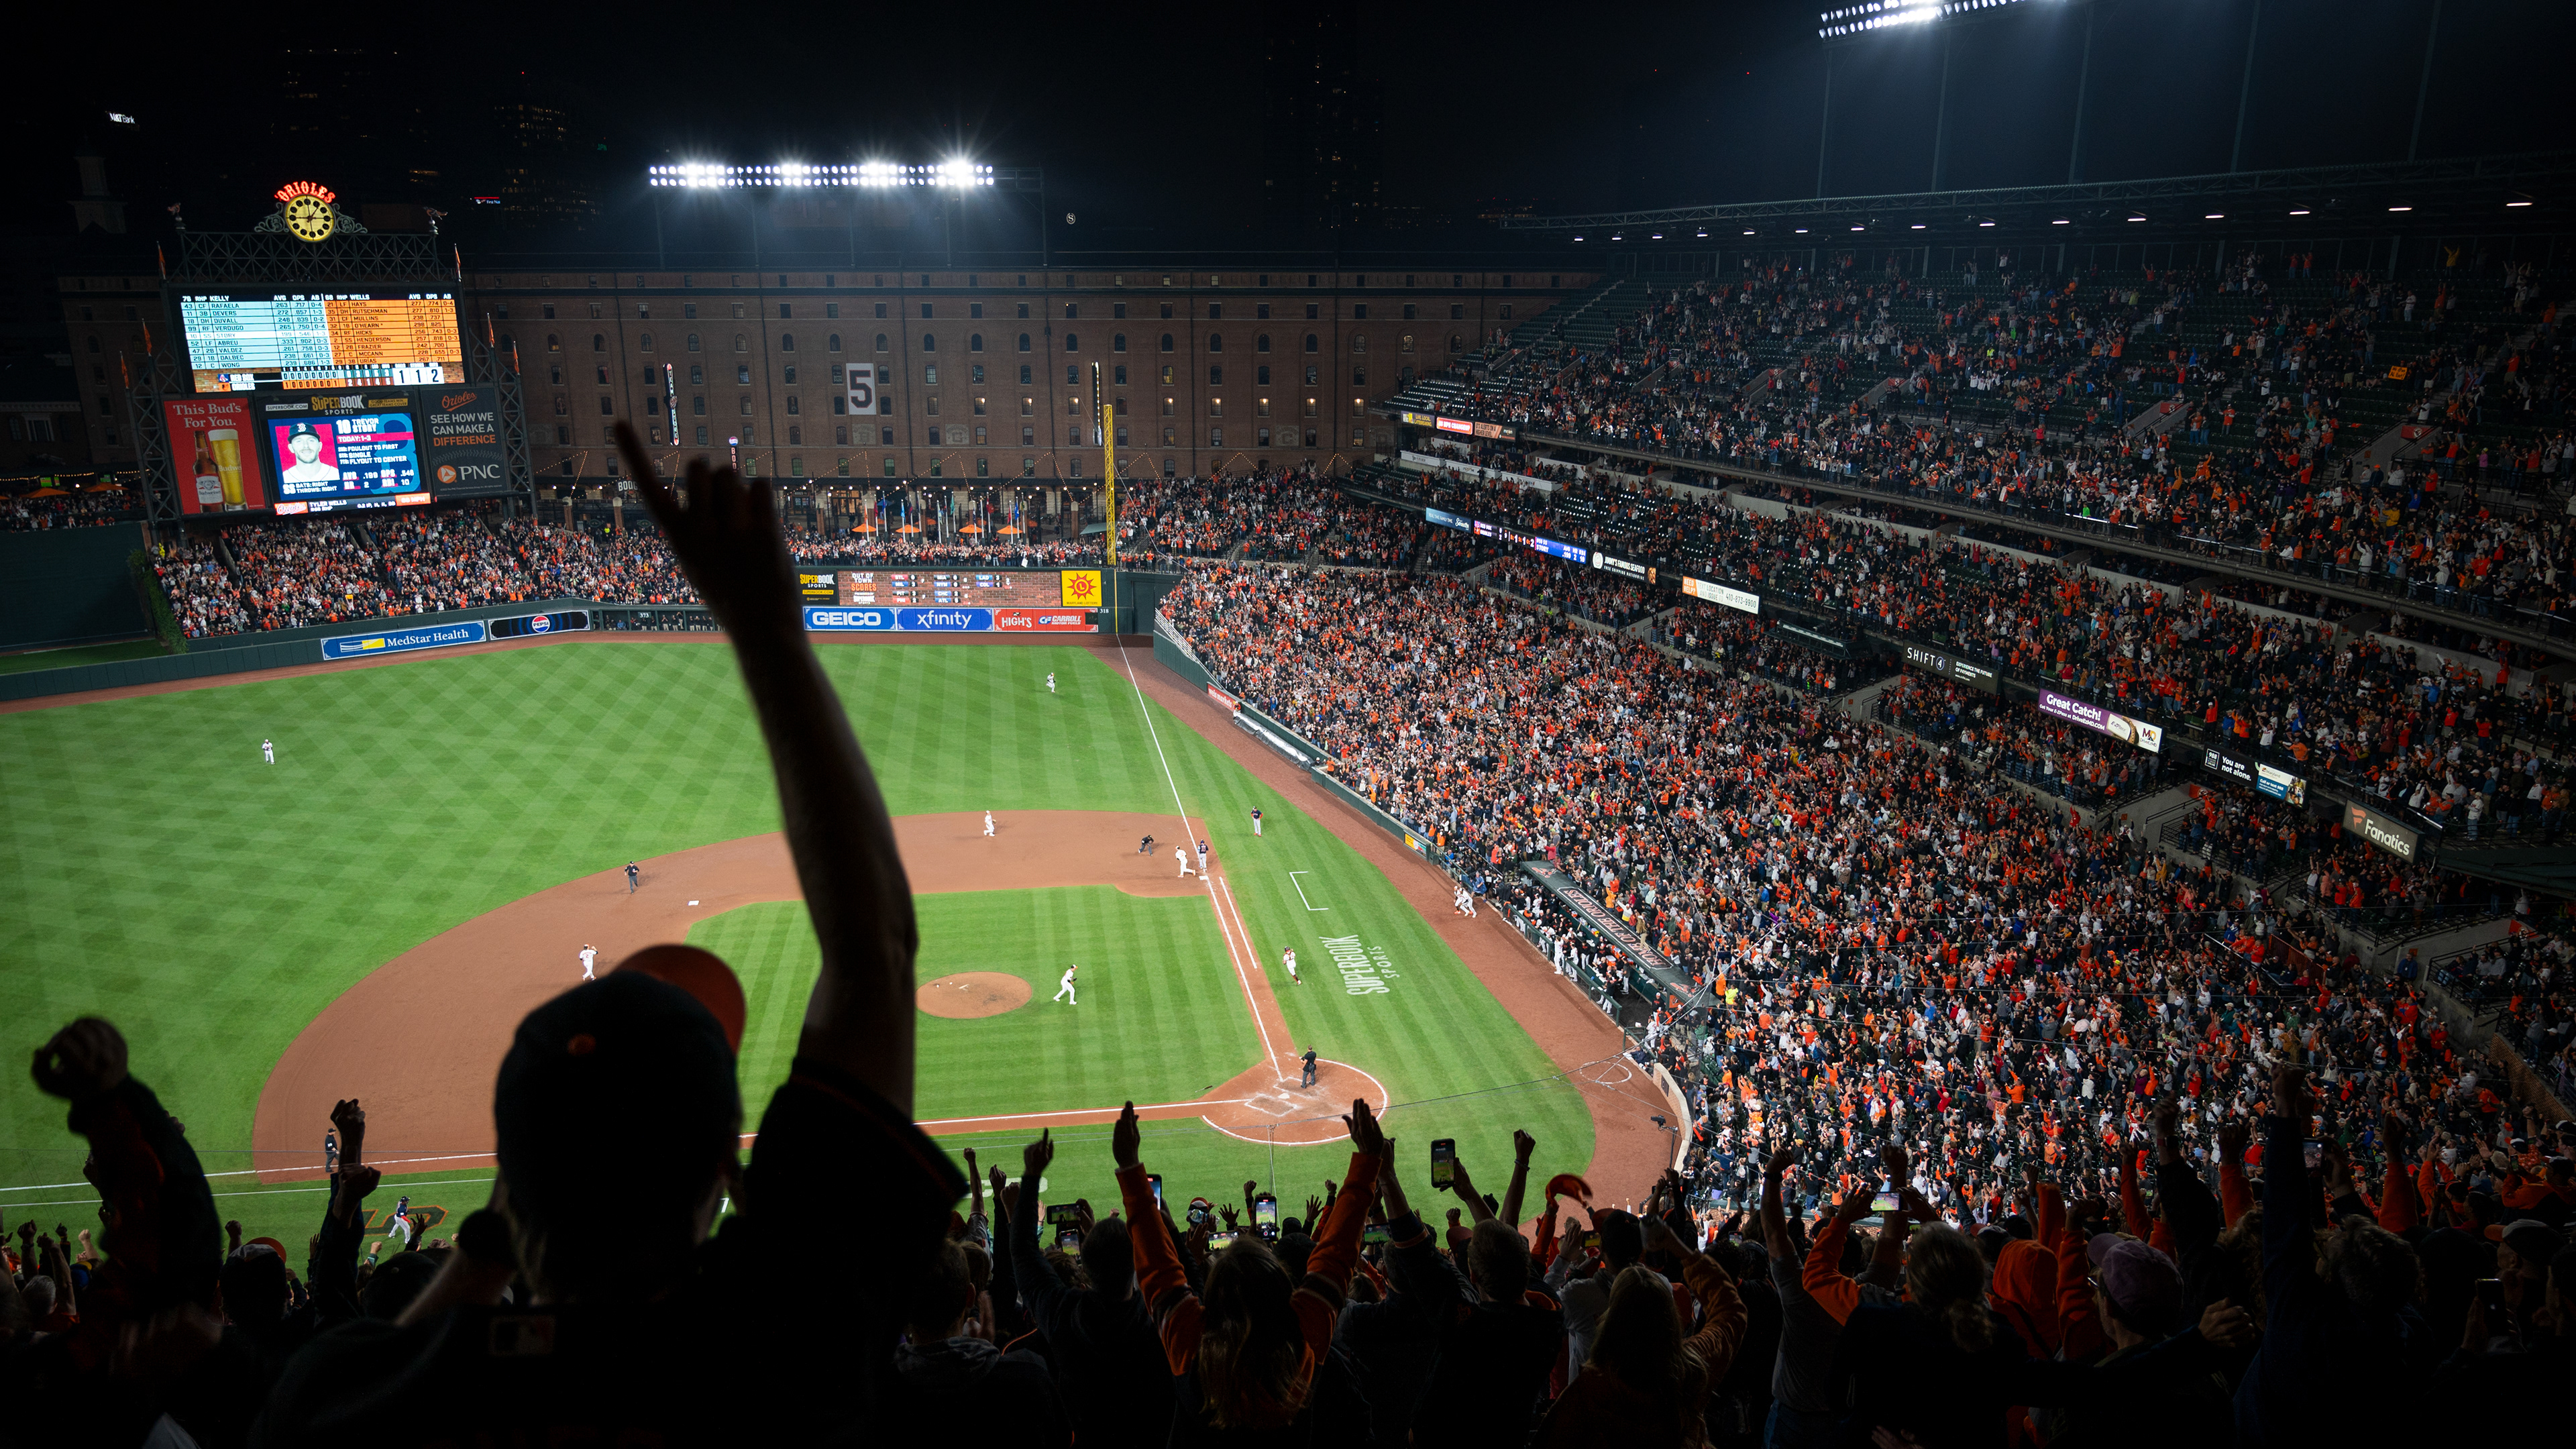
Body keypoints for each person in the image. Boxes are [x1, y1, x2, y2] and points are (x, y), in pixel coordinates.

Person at [249, 420, 963, 1444]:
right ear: (728, 1167)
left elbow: (380, 1370)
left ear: (513, 1175)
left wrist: (502, 1232)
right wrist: (766, 630)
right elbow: (875, 950)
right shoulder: (781, 1350)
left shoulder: (337, 1405)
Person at [1112, 1097, 1384, 1438]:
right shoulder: (1306, 1350)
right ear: (1287, 1295)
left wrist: (1131, 1171)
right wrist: (1368, 1164)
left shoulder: (1192, 1352)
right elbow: (1337, 1257)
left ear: (1209, 1303)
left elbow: (1158, 1274)